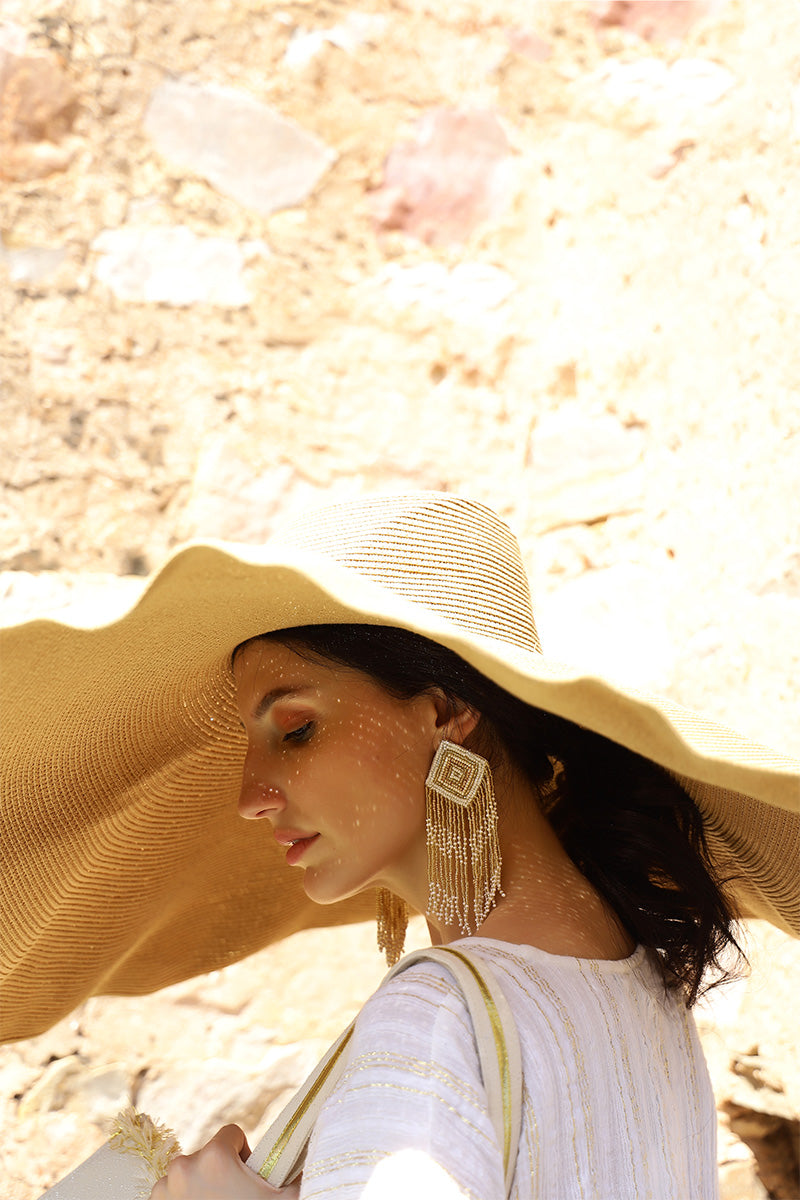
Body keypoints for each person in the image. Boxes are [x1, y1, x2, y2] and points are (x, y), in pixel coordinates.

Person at [2, 492, 798, 1199]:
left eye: (296, 728)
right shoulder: (651, 999)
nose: (249, 795)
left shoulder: (435, 1014)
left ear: (446, 711)